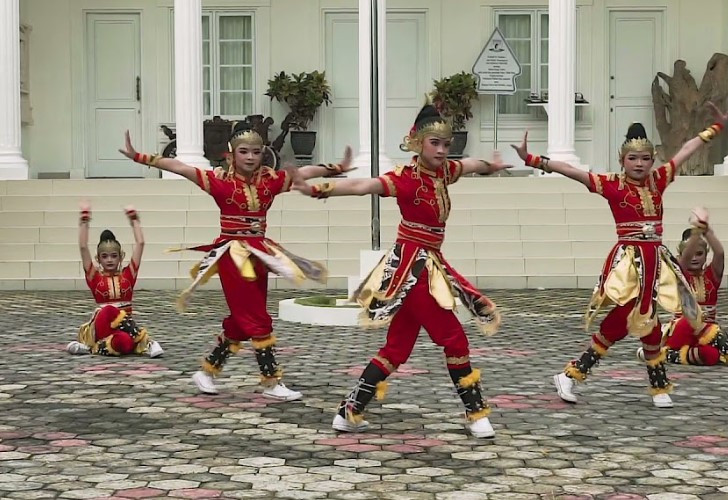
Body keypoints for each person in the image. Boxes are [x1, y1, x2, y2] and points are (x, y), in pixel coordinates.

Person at [293, 104, 507, 438]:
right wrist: (320, 189)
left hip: (429, 262)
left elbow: (468, 165)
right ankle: (476, 413)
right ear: (418, 143)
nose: (441, 150)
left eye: (445, 144)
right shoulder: (405, 180)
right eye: (434, 143)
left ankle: (349, 411)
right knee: (454, 339)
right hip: (413, 268)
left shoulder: (444, 172)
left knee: (397, 349)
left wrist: (489, 166)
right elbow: (364, 187)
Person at [510, 103, 728, 408]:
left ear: (652, 160)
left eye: (645, 158)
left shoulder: (658, 180)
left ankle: (650, 383)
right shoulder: (612, 184)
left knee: (647, 319)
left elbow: (685, 151)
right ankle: (583, 375)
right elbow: (573, 171)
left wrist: (714, 130)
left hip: (656, 259)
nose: (639, 164)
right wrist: (532, 159)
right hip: (631, 261)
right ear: (622, 160)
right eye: (633, 158)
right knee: (629, 317)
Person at [119, 124, 352, 400]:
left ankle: (207, 371)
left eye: (256, 152)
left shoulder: (269, 181)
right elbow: (181, 167)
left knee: (241, 324)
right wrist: (139, 157)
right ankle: (271, 381)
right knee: (257, 319)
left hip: (260, 254)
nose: (251, 157)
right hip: (232, 254)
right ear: (231, 155)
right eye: (244, 152)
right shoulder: (220, 182)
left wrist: (335, 168)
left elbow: (303, 173)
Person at [637, 207, 728, 367]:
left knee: (710, 356)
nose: (695, 258)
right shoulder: (680, 275)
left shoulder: (712, 276)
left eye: (700, 254)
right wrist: (696, 233)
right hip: (681, 331)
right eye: (692, 254)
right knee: (692, 319)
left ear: (705, 256)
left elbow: (720, 253)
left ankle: (662, 355)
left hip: (706, 335)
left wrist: (706, 229)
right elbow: (686, 258)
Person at [68, 202, 163, 358]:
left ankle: (91, 348)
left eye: (114, 256)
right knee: (110, 310)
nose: (110, 260)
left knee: (123, 343)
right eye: (105, 256)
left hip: (121, 330)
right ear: (98, 259)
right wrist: (84, 221)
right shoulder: (95, 277)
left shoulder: (128, 276)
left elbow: (141, 243)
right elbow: (83, 247)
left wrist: (134, 220)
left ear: (121, 257)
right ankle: (147, 342)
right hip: (102, 325)